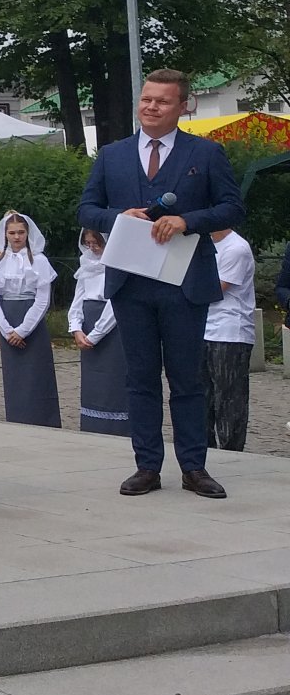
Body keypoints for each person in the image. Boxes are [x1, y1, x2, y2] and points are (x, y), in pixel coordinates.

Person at [77, 70, 244, 498]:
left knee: (188, 379)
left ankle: (194, 466)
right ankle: (147, 465)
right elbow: (86, 208)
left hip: (184, 282)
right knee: (141, 379)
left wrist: (188, 220)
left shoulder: (205, 153)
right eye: (146, 99)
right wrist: (116, 217)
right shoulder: (113, 155)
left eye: (162, 102)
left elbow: (231, 207)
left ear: (183, 107)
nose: (151, 107)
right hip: (131, 282)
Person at [0, 211, 62, 428]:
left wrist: (22, 330)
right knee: (14, 375)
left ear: (28, 234)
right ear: (5, 234)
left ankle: (43, 418)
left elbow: (42, 299)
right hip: (7, 318)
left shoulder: (39, 260)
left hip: (31, 322)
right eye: (12, 233)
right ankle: (16, 416)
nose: (17, 237)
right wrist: (6, 328)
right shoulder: (0, 260)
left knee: (36, 373)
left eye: (21, 232)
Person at [70, 230, 130, 437]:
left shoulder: (116, 265)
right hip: (88, 323)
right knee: (92, 380)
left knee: (112, 377)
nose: (92, 248)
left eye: (96, 243)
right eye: (87, 244)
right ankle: (92, 424)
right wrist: (76, 326)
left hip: (110, 327)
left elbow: (115, 302)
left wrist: (96, 334)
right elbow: (78, 297)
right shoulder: (86, 263)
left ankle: (117, 426)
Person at [203, 228, 257, 452]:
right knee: (201, 396)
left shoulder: (236, 248)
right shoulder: (202, 244)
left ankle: (231, 451)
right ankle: (201, 449)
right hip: (202, 328)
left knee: (228, 397)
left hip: (229, 331)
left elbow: (216, 289)